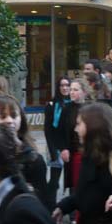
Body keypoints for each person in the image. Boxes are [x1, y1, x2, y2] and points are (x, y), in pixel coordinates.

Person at [0, 95, 47, 203]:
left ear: (21, 119)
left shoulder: (34, 160)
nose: (9, 121)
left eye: (13, 116)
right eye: (2, 116)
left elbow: (43, 203)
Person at [43, 76, 71, 209]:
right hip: (56, 147)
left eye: (67, 85)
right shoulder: (51, 105)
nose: (65, 88)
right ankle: (50, 208)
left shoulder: (74, 104)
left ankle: (71, 212)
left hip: (70, 148)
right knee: (54, 182)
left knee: (72, 182)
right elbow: (48, 130)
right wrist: (53, 150)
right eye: (62, 85)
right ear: (58, 88)